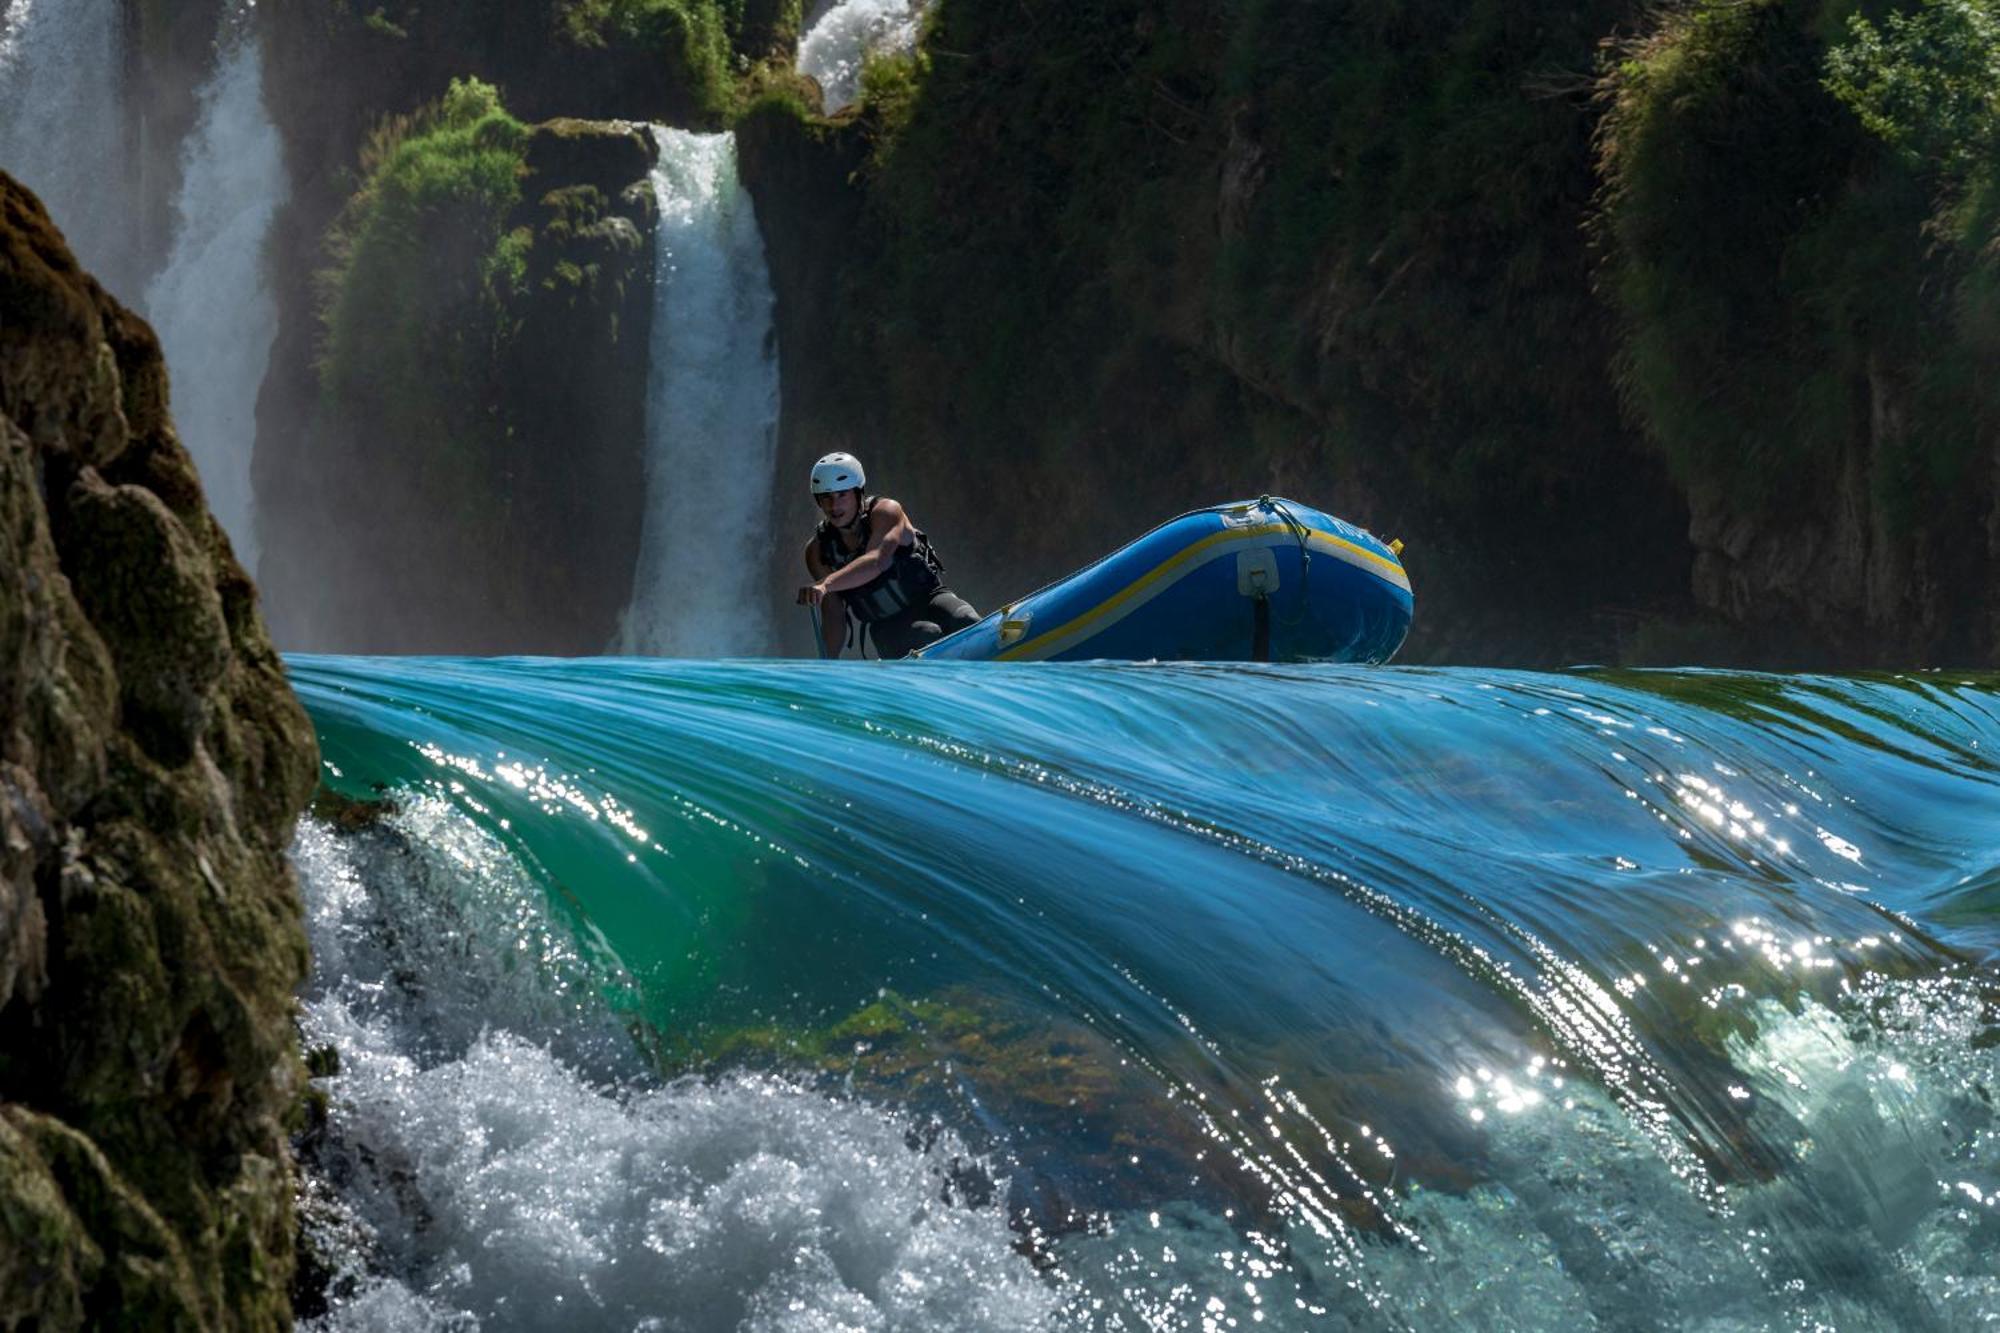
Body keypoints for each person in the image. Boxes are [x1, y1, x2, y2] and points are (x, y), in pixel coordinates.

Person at [796, 452, 980, 658]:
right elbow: (834, 615)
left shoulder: (887, 512)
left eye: (842, 495)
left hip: (930, 599)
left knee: (966, 621)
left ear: (858, 493)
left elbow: (877, 561)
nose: (834, 505)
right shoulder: (817, 551)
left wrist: (826, 583)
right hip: (887, 626)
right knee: (927, 635)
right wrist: (828, 663)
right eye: (826, 497)